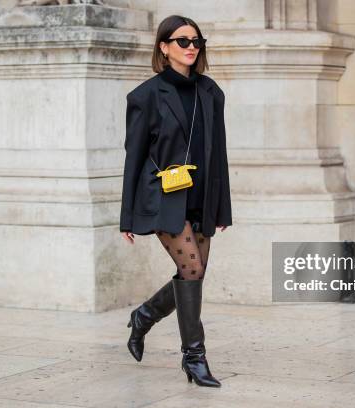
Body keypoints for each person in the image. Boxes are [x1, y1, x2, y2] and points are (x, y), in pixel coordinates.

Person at [120, 15, 232, 388]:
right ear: (163, 47)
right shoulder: (144, 96)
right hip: (164, 197)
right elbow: (133, 158)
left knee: (192, 274)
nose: (190, 47)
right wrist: (126, 217)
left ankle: (144, 316)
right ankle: (194, 359)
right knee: (193, 272)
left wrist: (223, 207)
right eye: (182, 41)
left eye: (196, 41)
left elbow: (219, 155)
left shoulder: (211, 92)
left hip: (203, 194)